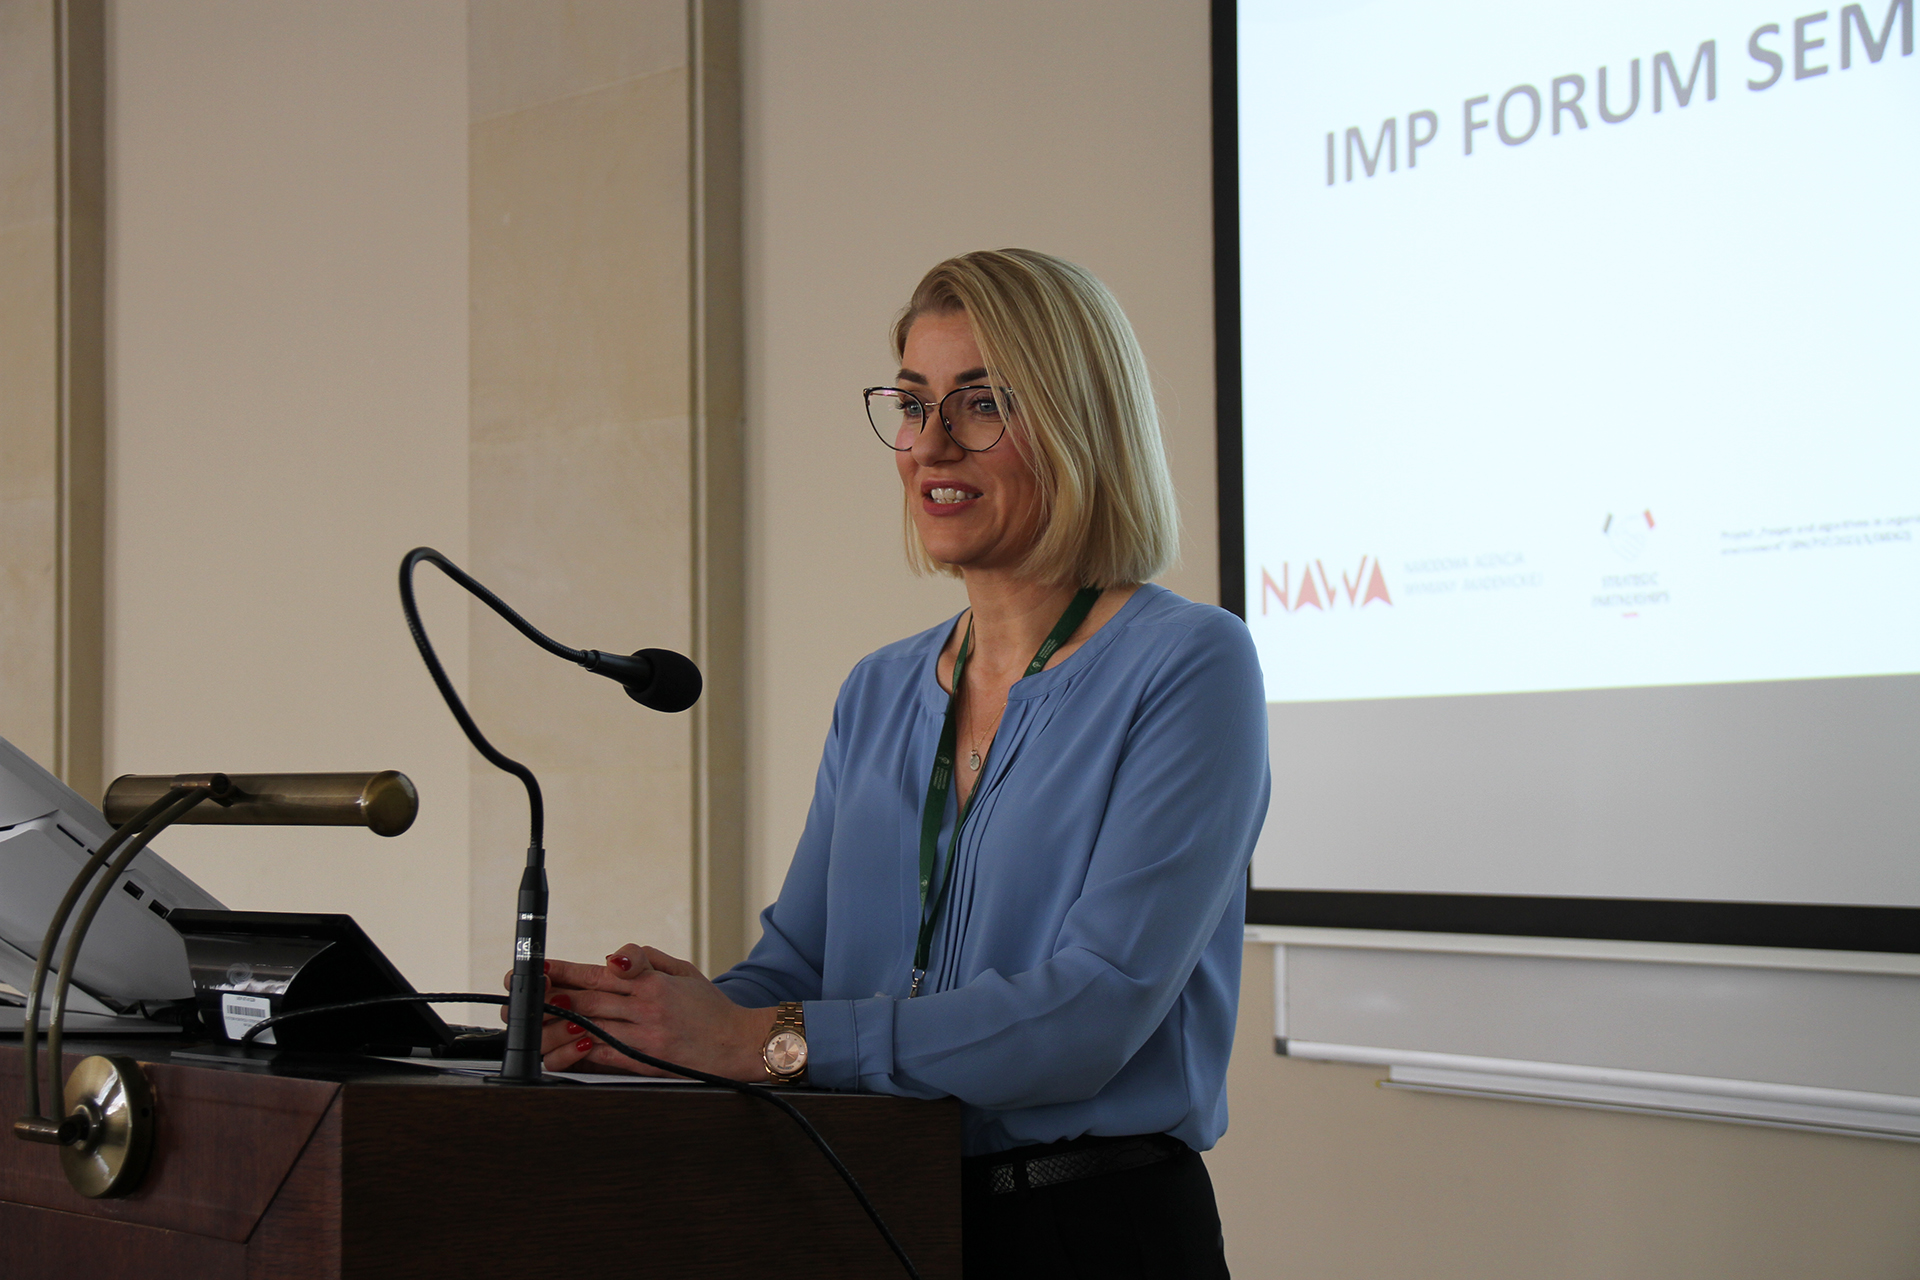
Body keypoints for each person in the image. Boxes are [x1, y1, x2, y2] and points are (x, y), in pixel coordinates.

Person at [536, 248, 1270, 1277]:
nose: (929, 444)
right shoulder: (879, 688)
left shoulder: (1190, 663)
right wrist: (650, 1029)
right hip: (874, 1210)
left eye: (981, 404)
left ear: (1080, 422)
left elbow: (1094, 1012)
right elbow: (799, 968)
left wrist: (756, 1041)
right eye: (914, 403)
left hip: (1085, 1227)